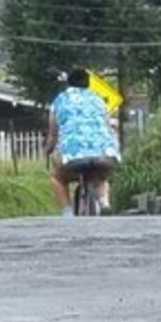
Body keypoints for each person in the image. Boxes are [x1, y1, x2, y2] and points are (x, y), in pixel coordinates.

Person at [45, 67, 120, 217]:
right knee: (101, 177)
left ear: (69, 83)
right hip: (104, 152)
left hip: (73, 154)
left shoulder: (60, 100)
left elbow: (53, 134)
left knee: (58, 178)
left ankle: (67, 213)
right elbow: (107, 126)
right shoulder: (98, 99)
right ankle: (105, 203)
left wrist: (48, 149)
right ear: (88, 84)